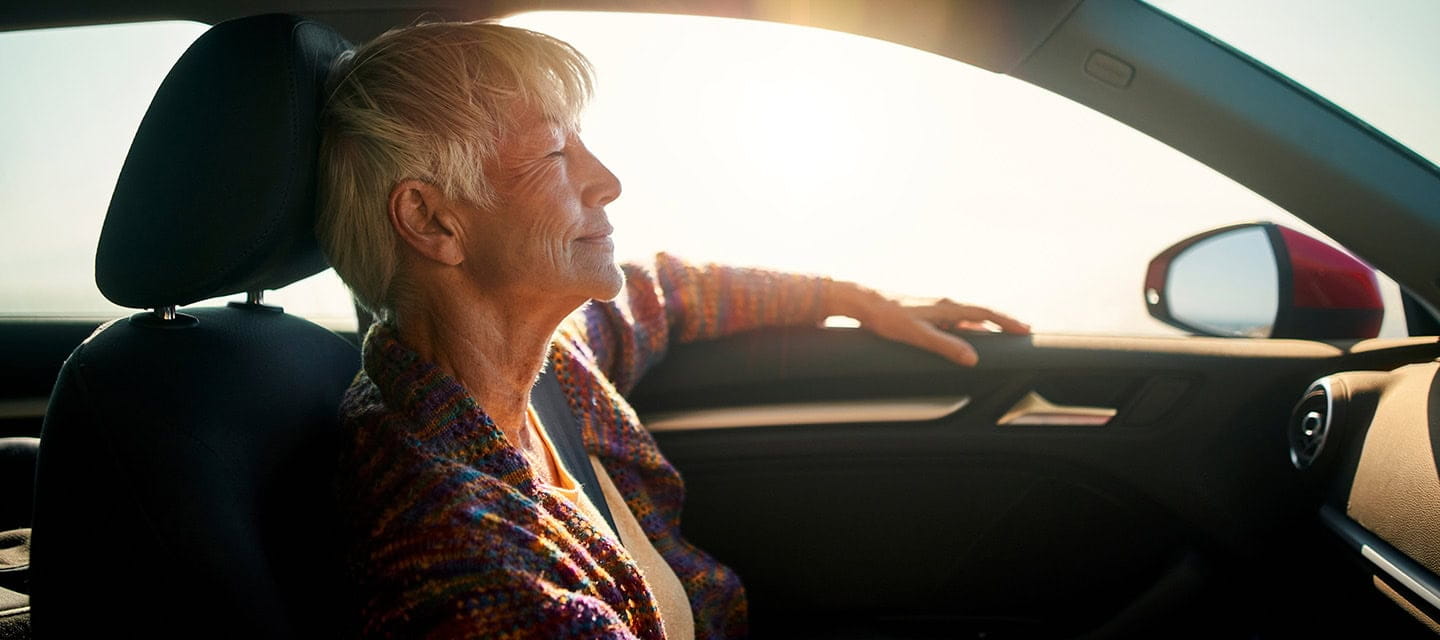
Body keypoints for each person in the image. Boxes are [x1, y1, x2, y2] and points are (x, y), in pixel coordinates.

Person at [316, 20, 1029, 640]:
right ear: (433, 221)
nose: (608, 181)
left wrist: (846, 297)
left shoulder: (544, 369)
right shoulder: (469, 565)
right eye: (557, 154)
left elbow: (669, 291)